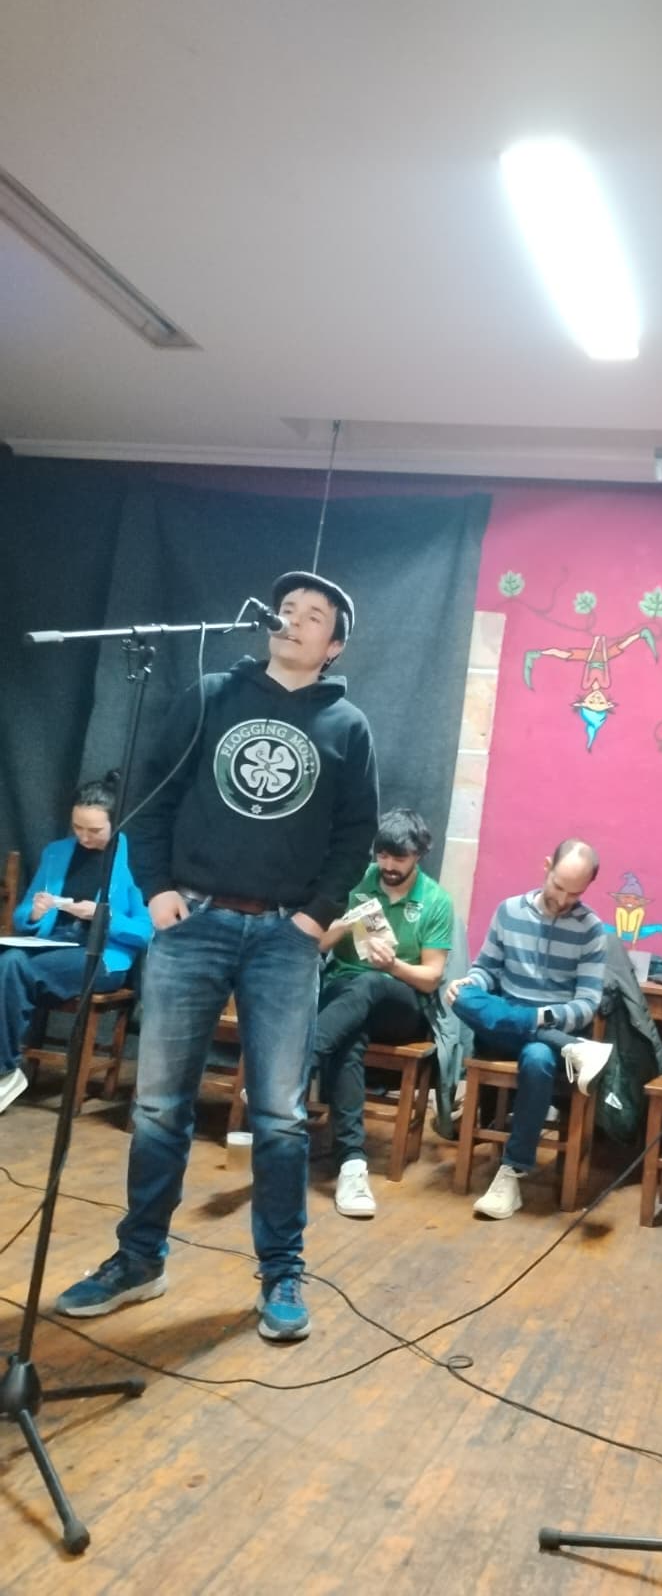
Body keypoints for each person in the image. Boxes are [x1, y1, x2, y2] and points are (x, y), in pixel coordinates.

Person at [55, 571, 378, 1342]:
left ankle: (281, 1271)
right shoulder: (209, 695)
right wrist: (155, 887)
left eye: (313, 616)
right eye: (286, 609)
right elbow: (153, 797)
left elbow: (355, 833)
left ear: (334, 646)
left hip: (284, 937)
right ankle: (140, 1259)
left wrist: (315, 915)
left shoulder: (348, 726)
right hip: (191, 920)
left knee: (281, 1116)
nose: (292, 620)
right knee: (158, 1105)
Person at [447, 840, 610, 1220]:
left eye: (575, 893)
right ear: (546, 866)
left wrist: (542, 1018)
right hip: (503, 1030)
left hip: (545, 1033)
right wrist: (471, 982)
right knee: (458, 996)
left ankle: (511, 1174)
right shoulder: (508, 911)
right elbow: (486, 969)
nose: (563, 899)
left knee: (537, 1057)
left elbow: (588, 1002)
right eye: (559, 886)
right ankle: (571, 1046)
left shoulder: (591, 930)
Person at [312, 807, 454, 1218]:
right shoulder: (356, 879)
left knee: (371, 984)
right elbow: (315, 945)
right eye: (383, 855)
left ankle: (299, 1063)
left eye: (399, 858)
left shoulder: (435, 900)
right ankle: (352, 1165)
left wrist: (393, 967)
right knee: (349, 1035)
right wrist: (343, 924)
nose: (388, 866)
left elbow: (431, 978)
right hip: (342, 996)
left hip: (400, 1005)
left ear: (419, 855)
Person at [0, 775, 152, 1113]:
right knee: (9, 962)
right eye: (77, 827)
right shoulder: (56, 852)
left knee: (12, 966)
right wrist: (36, 912)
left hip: (103, 954)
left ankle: (4, 1071)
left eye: (94, 830)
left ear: (117, 822)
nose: (84, 837)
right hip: (54, 943)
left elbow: (146, 931)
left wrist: (101, 915)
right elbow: (24, 915)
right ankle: (5, 1068)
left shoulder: (136, 858)